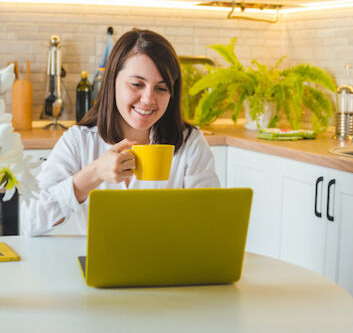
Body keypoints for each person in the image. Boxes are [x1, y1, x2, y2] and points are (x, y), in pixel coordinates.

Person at [20, 28, 220, 236]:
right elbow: (30, 221)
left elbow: (212, 224)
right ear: (112, 81)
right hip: (99, 264)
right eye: (136, 84)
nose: (148, 99)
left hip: (167, 264)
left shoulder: (190, 143)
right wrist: (94, 174)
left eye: (161, 88)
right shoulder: (79, 141)